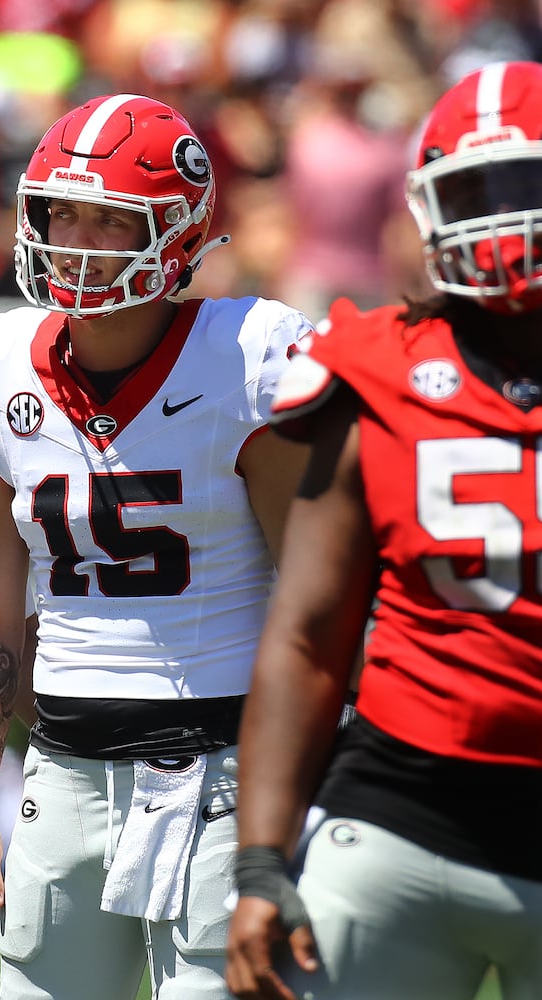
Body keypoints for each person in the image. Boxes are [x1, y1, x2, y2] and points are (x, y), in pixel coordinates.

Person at [0, 93, 314, 1000]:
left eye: (112, 220)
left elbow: (317, 599)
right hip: (62, 773)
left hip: (224, 776)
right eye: (57, 212)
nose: (74, 240)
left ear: (181, 234)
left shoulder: (248, 355)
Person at [226, 59, 542, 1000]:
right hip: (400, 816)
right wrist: (259, 863)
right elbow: (307, 632)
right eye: (474, 195)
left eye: (524, 188)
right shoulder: (370, 365)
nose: (503, 224)